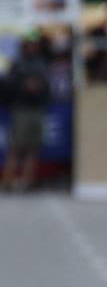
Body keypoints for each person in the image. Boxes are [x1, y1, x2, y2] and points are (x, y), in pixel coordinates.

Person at [3, 36, 52, 192]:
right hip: (21, 108)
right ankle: (8, 181)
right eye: (29, 45)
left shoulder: (41, 64)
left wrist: (39, 86)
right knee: (16, 147)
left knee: (33, 148)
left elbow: (48, 85)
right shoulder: (17, 64)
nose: (32, 48)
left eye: (34, 45)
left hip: (37, 109)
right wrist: (24, 85)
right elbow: (7, 85)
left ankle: (26, 181)